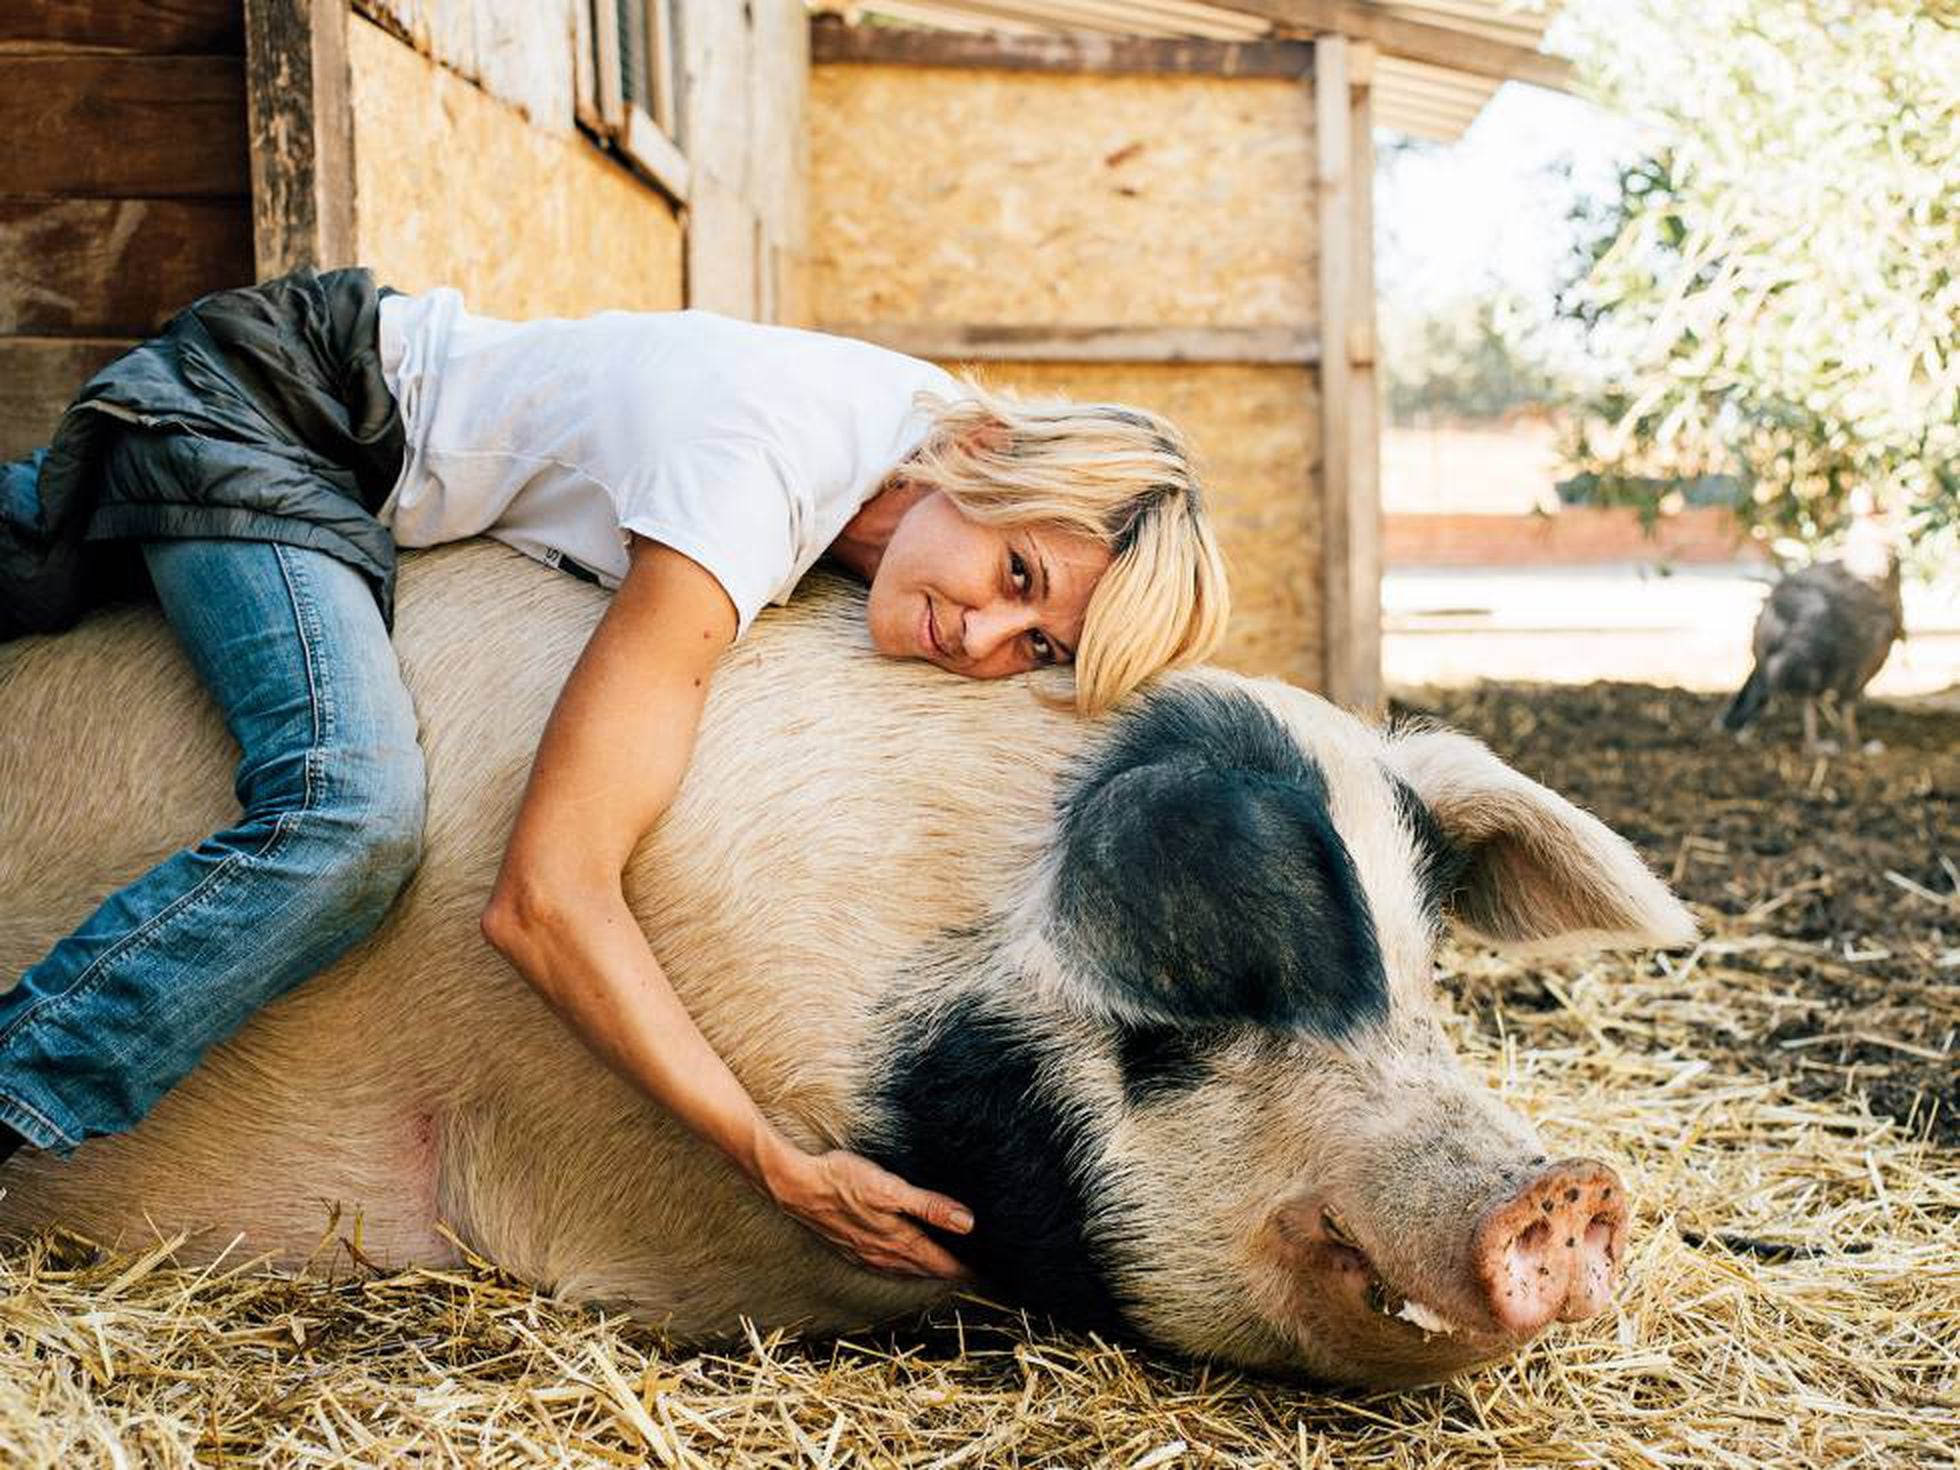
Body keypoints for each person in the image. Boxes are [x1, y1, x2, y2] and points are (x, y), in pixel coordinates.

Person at [0, 267, 1230, 1281]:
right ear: (976, 447)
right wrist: (769, 1157)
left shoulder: (928, 463)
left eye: (1040, 648)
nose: (984, 639)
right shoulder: (755, 478)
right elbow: (544, 899)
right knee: (347, 813)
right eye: (1016, 577)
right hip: (270, 411)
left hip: (346, 466)